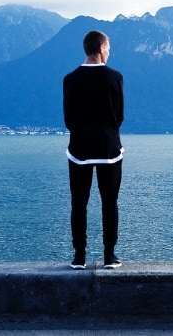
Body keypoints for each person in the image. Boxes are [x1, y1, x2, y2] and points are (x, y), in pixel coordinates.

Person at [63, 30, 124, 270]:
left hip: (79, 149)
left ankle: (79, 257)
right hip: (109, 149)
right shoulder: (115, 77)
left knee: (79, 203)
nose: (109, 52)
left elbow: (68, 117)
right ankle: (110, 256)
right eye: (108, 47)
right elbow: (119, 116)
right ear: (100, 49)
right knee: (109, 203)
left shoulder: (70, 79)